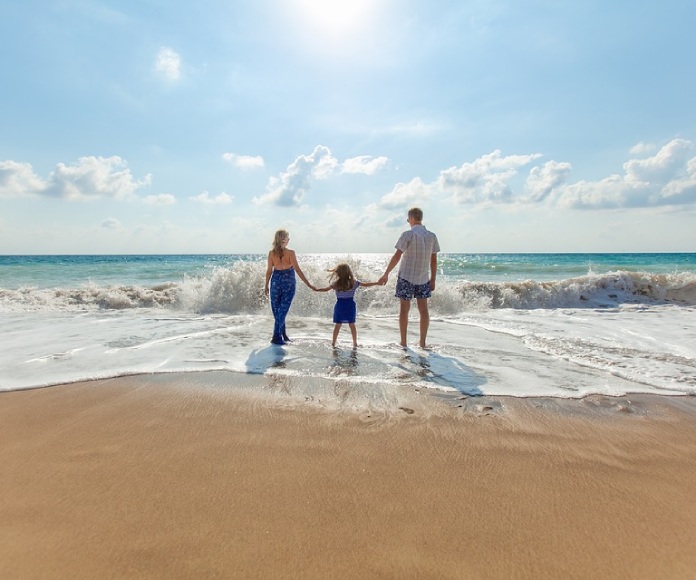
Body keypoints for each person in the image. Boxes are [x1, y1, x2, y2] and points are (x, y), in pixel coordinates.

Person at [378, 207, 440, 348]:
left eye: (408, 219)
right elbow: (434, 261)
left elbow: (397, 255)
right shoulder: (432, 236)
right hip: (423, 278)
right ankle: (422, 343)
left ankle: (404, 342)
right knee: (423, 310)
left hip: (406, 277)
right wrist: (433, 279)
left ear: (411, 218)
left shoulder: (407, 234)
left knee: (404, 310)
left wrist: (386, 273)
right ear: (420, 218)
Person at [264, 229, 314, 345]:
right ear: (284, 240)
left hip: (275, 281)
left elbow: (268, 271)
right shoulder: (290, 253)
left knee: (279, 311)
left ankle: (283, 334)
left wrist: (266, 285)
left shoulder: (271, 253)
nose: (289, 239)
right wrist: (308, 284)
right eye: (288, 238)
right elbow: (297, 269)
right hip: (288, 282)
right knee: (281, 311)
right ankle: (276, 337)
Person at [314, 263, 380, 348]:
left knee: (338, 325)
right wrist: (377, 283)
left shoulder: (336, 284)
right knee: (352, 325)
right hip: (350, 305)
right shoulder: (353, 282)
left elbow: (326, 289)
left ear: (338, 273)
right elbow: (366, 284)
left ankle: (333, 343)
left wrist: (316, 289)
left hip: (340, 305)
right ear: (349, 272)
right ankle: (355, 343)